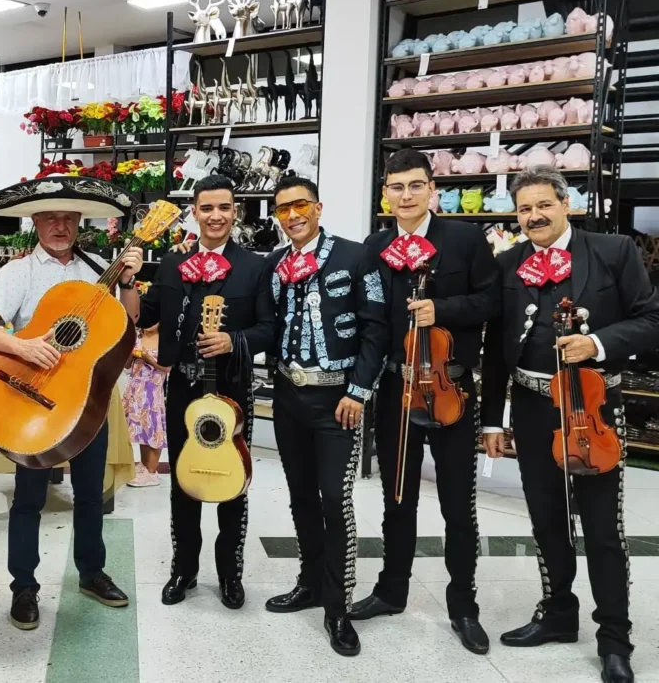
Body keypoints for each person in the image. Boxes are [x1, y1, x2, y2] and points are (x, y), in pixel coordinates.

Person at [482, 166, 659, 683]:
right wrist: (493, 419)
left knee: (603, 528)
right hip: (533, 407)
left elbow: (651, 319)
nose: (534, 216)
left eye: (543, 205)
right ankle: (558, 612)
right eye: (524, 209)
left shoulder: (613, 251)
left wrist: (598, 344)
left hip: (593, 405)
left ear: (566, 205)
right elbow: (496, 348)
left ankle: (614, 638)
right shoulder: (509, 262)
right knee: (546, 519)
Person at [0, 177, 143, 631]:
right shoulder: (18, 273)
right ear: (36, 221)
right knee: (28, 499)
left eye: (68, 218)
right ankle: (23, 586)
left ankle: (91, 573)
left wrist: (127, 281)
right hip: (33, 400)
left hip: (87, 400)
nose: (60, 226)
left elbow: (129, 323)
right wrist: (24, 348)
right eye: (50, 217)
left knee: (90, 495)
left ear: (80, 223)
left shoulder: (97, 267)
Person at [351, 148, 499, 655]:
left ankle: (464, 606)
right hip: (395, 389)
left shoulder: (463, 239)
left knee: (459, 503)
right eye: (396, 187)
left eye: (416, 186)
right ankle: (392, 590)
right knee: (398, 498)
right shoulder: (375, 246)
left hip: (450, 388)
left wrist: (444, 309)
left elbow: (491, 302)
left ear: (431, 189)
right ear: (385, 193)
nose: (406, 195)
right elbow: (370, 320)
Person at [262, 177, 389, 656]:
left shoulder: (356, 256)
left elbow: (377, 330)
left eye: (300, 205)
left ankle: (338, 607)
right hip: (289, 398)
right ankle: (310, 582)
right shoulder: (274, 264)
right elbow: (266, 325)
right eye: (283, 209)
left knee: (335, 500)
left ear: (318, 207)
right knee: (300, 496)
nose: (292, 215)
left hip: (339, 402)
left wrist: (358, 391)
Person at [138, 174, 276, 610]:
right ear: (194, 213)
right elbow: (144, 317)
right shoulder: (172, 263)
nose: (216, 216)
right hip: (181, 385)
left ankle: (231, 575)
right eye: (207, 208)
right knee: (184, 480)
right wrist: (127, 280)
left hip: (233, 389)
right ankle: (184, 569)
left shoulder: (256, 266)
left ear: (236, 212)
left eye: (224, 207)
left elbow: (270, 329)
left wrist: (235, 341)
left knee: (234, 481)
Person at [122, 323, 169, 487]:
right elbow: (127, 365)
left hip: (153, 389)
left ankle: (151, 471)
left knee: (154, 429)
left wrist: (148, 358)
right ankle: (143, 466)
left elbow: (167, 368)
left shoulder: (165, 340)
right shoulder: (137, 337)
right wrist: (130, 354)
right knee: (142, 429)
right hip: (135, 388)